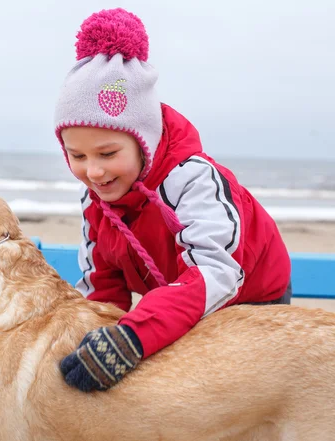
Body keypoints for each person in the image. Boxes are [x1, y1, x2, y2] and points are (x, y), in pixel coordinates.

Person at [54, 8, 292, 393]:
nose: (93, 172)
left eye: (107, 153)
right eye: (77, 157)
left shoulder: (193, 180)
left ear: (143, 141)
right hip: (173, 301)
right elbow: (101, 287)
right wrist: (97, 336)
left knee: (216, 398)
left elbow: (215, 273)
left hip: (247, 301)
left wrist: (135, 335)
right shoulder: (96, 201)